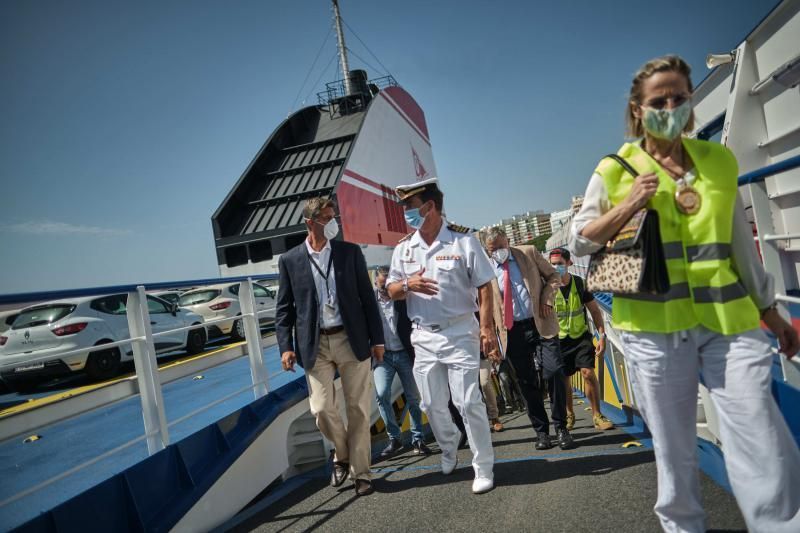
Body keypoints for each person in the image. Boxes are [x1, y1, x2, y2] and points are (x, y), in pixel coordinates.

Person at [570, 55, 800, 532]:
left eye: (680, 98)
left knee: (759, 431)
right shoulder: (614, 169)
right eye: (659, 101)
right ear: (638, 109)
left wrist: (770, 312)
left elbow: (738, 242)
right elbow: (578, 240)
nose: (670, 107)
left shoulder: (718, 161)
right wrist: (630, 202)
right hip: (653, 329)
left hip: (728, 323)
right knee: (675, 452)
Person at [386, 177, 500, 495]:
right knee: (431, 404)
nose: (405, 212)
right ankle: (450, 445)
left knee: (468, 402)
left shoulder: (463, 241)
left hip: (460, 331)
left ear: (429, 206)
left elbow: (485, 286)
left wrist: (487, 328)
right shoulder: (404, 249)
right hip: (423, 336)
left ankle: (483, 466)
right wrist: (409, 284)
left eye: (409, 206)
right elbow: (390, 289)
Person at [275, 197, 385, 497]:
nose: (333, 221)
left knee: (358, 409)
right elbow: (284, 309)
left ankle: (361, 473)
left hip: (352, 339)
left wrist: (378, 340)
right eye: (326, 217)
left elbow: (367, 297)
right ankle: (342, 453)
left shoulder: (349, 252)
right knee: (322, 408)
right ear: (310, 222)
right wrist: (285, 346)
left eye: (333, 215)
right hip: (315, 343)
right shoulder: (290, 260)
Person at [481, 227, 574, 450]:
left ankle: (561, 427)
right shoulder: (484, 268)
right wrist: (491, 338)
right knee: (527, 382)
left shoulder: (528, 252)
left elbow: (553, 276)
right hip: (512, 331)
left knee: (554, 371)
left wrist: (547, 298)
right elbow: (485, 305)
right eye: (493, 250)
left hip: (540, 321)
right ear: (487, 249)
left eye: (502, 248)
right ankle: (542, 433)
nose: (498, 253)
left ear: (508, 241)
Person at [548, 248, 614, 431]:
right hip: (559, 340)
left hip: (580, 336)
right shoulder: (548, 288)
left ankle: (597, 415)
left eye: (560, 263)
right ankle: (569, 414)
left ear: (569, 263)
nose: (556, 267)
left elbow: (594, 311)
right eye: (553, 264)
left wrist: (601, 336)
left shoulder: (579, 284)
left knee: (588, 373)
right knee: (564, 379)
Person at [373, 265, 432, 458]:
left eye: (387, 286)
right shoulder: (370, 302)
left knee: (413, 397)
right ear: (375, 283)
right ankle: (394, 437)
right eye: (381, 287)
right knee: (381, 394)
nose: (385, 290)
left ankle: (418, 438)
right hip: (384, 357)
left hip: (405, 353)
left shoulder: (402, 299)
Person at [480, 352, 504, 431]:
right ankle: (479, 421)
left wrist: (493, 350)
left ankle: (494, 417)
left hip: (482, 353)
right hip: (463, 354)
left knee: (485, 383)